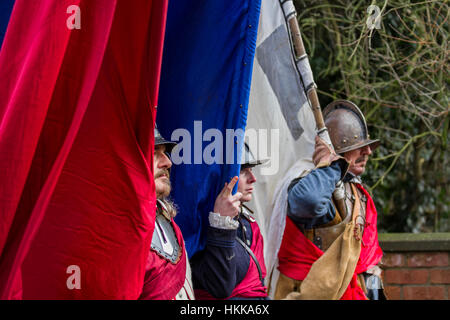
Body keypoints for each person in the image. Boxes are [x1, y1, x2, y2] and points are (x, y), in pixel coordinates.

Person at [271, 100, 385, 300]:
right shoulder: (314, 182)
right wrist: (331, 166)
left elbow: (368, 263)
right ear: (336, 151)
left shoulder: (358, 193)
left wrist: (376, 295)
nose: (367, 152)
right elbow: (308, 202)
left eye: (366, 147)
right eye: (358, 147)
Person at [191, 143, 269, 300]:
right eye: (242, 170)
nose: (253, 179)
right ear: (222, 176)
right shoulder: (197, 229)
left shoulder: (249, 224)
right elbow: (220, 287)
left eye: (251, 170)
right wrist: (222, 224)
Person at [139, 126, 195, 300]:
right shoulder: (112, 229)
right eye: (154, 151)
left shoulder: (167, 220)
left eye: (165, 152)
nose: (168, 162)